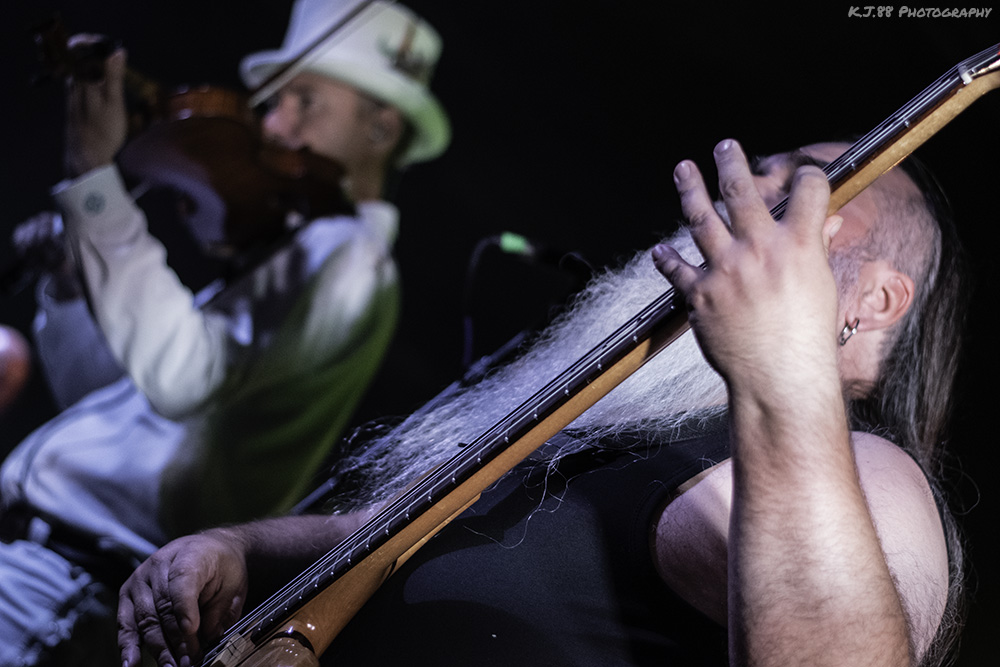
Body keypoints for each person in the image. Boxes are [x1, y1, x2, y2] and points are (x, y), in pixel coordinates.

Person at [116, 138, 967, 667]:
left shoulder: (870, 470)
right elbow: (387, 531)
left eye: (812, 182)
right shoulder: (622, 428)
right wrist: (239, 546)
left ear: (878, 299)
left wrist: (786, 371)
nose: (748, 182)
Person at [0, 0, 449, 664]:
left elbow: (181, 378)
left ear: (381, 128)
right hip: (39, 568)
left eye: (304, 101)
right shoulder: (289, 253)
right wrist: (71, 286)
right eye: (274, 101)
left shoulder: (349, 258)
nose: (273, 122)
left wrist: (95, 183)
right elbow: (111, 397)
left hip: (63, 583)